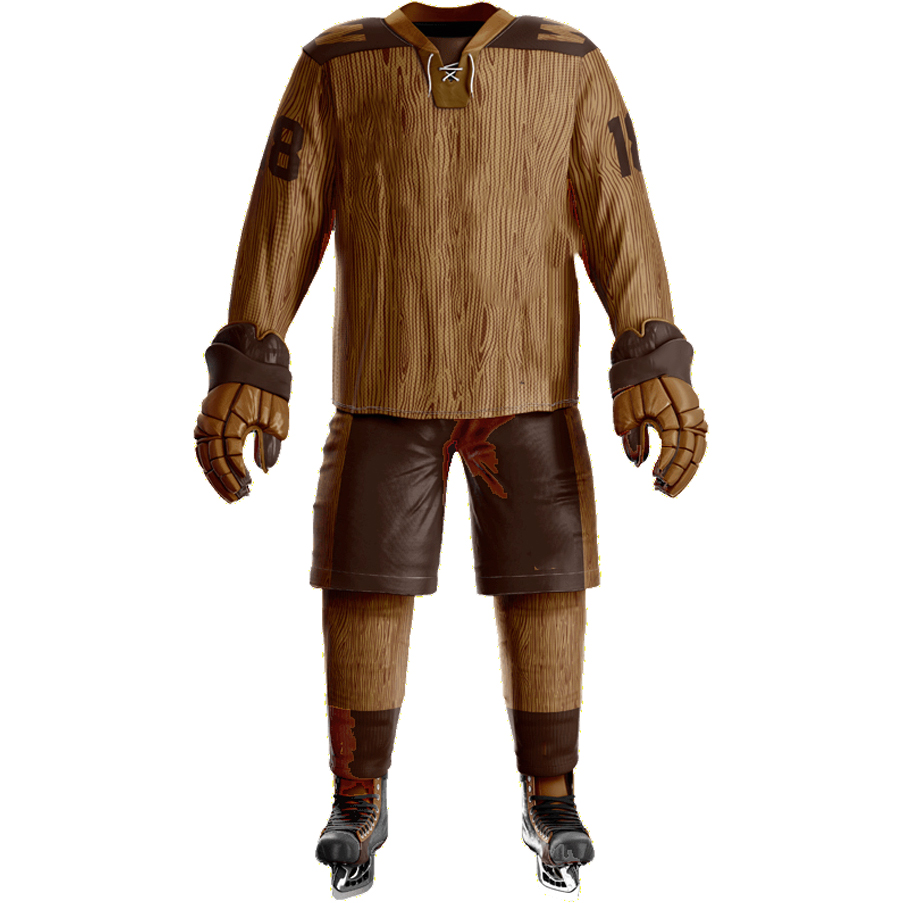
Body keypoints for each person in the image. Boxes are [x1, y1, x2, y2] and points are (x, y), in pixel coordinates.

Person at [194, 3, 707, 897]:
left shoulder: (568, 62)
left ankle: (552, 794)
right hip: (381, 384)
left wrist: (648, 348)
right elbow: (286, 206)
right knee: (364, 583)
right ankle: (357, 793)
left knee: (547, 585)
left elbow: (618, 209)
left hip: (530, 384)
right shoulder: (337, 63)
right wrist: (253, 352)